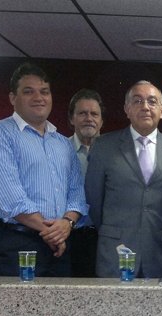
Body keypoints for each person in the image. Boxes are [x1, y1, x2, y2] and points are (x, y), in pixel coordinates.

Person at [0, 62, 87, 277]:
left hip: (61, 244)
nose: (39, 98)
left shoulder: (63, 143)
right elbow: (10, 198)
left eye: (44, 91)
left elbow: (77, 194)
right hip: (18, 243)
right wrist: (51, 232)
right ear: (12, 98)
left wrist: (67, 223)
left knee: (63, 300)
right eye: (28, 92)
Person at [85, 81, 162, 278]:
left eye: (152, 101)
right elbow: (94, 200)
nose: (145, 107)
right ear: (127, 109)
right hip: (115, 252)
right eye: (137, 101)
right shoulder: (104, 146)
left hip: (159, 252)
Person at [67, 89, 104, 277]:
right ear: (72, 119)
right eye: (82, 113)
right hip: (68, 236)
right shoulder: (59, 151)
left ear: (101, 121)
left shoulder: (115, 154)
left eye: (94, 114)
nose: (89, 118)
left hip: (105, 239)